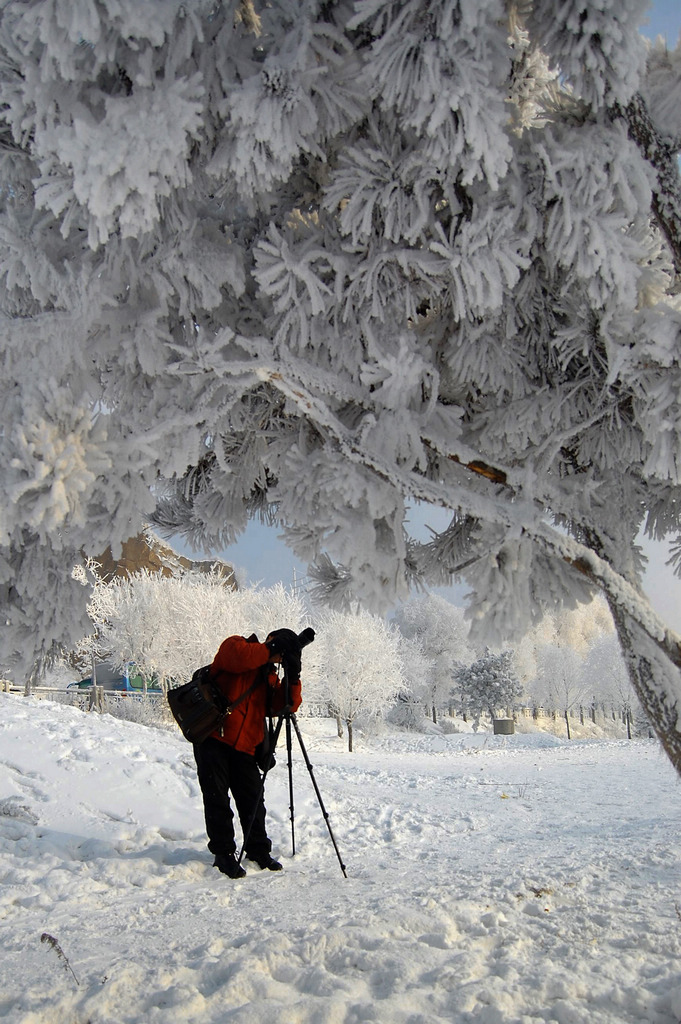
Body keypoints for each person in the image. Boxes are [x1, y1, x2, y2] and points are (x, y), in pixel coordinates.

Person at [193, 630, 302, 879]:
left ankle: (257, 850)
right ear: (270, 641)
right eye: (278, 650)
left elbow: (284, 705)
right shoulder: (238, 646)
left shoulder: (268, 676)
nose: (277, 658)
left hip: (245, 746)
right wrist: (270, 649)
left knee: (253, 800)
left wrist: (293, 676)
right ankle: (223, 854)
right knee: (217, 799)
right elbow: (235, 658)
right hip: (214, 738)